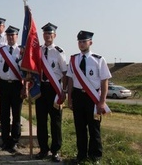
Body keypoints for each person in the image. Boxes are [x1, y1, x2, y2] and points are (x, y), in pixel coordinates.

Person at [67, 30, 111, 164]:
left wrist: (102, 102)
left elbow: (104, 81)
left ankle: (95, 156)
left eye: (84, 41)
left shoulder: (98, 59)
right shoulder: (73, 59)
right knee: (80, 128)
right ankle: (81, 155)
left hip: (93, 99)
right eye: (79, 42)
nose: (81, 44)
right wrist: (70, 98)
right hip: (78, 97)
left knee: (94, 128)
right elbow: (70, 80)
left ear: (90, 42)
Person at [35, 23, 67, 162]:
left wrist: (64, 91)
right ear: (43, 35)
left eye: (50, 34)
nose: (48, 36)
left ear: (54, 35)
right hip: (41, 88)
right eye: (45, 34)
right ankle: (43, 149)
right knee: (41, 121)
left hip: (54, 89)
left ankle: (55, 150)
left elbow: (65, 73)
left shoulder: (59, 52)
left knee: (55, 121)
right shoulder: (38, 51)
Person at [0, 25, 27, 153]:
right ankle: (5, 140)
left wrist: (25, 88)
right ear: (6, 37)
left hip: (17, 85)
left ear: (17, 36)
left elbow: (27, 72)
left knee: (16, 115)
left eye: (13, 35)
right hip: (3, 85)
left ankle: (14, 142)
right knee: (4, 114)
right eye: (9, 35)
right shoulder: (1, 51)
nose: (11, 37)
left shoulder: (22, 51)